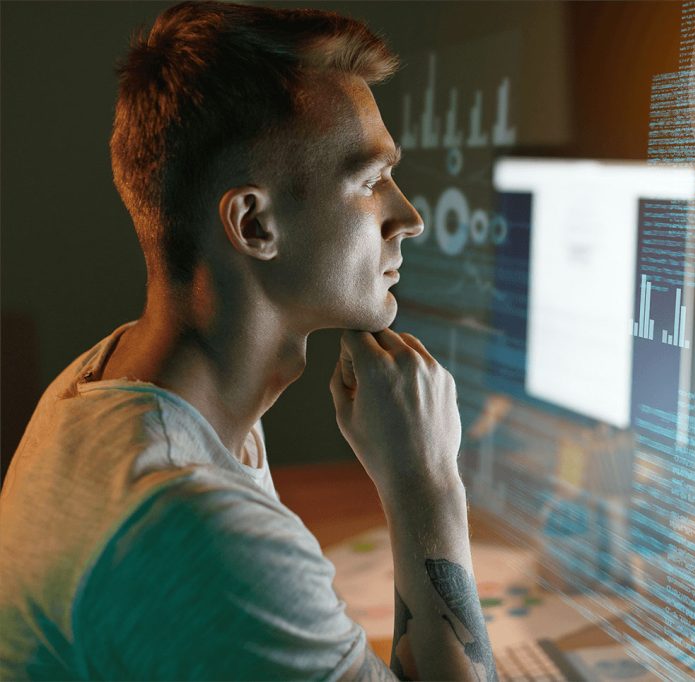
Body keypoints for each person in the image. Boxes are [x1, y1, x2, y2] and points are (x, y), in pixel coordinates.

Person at [0, 2, 497, 679]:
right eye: (371, 181)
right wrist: (426, 485)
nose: (406, 217)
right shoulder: (190, 525)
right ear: (254, 225)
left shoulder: (108, 381)